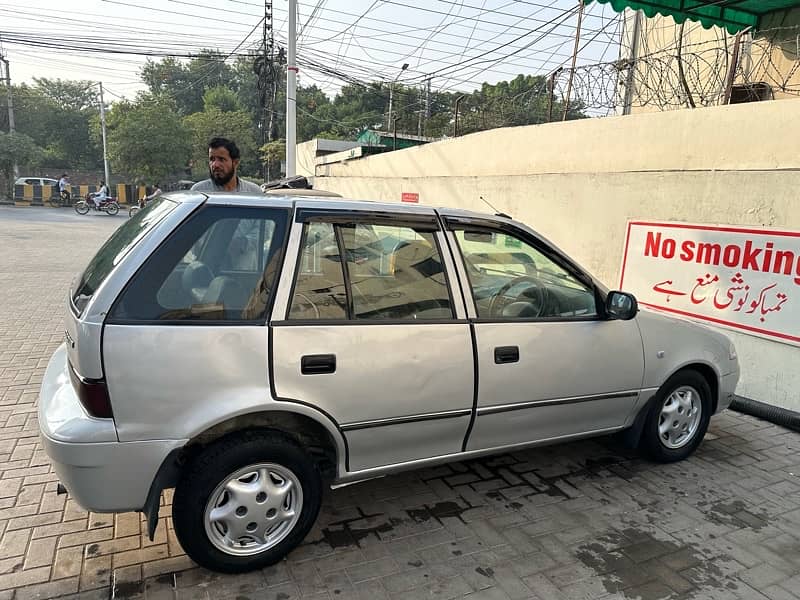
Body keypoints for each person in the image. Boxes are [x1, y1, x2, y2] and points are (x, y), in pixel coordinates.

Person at [191, 137, 262, 193]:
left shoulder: (253, 192)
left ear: (235, 162)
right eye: (212, 159)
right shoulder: (198, 191)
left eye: (221, 159)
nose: (215, 165)